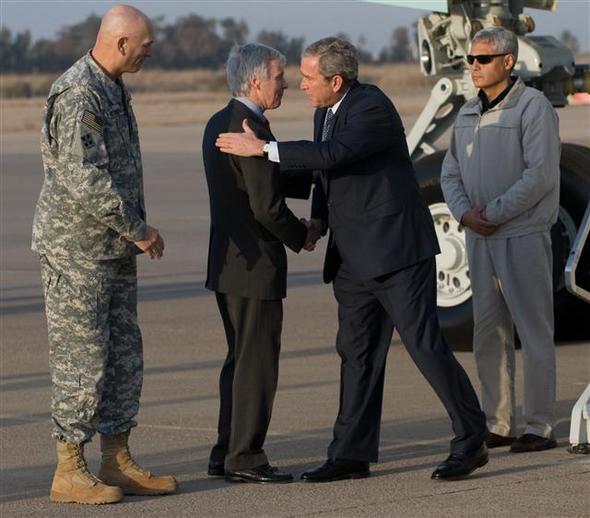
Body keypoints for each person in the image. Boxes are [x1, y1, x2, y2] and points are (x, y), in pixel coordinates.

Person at [215, 37, 488, 482]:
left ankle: (471, 437)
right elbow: (326, 175)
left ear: (335, 80)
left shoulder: (370, 107)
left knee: (425, 347)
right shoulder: (326, 110)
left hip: (396, 253)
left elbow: (335, 154)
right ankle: (350, 453)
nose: (301, 85)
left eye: (307, 78)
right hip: (353, 260)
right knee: (357, 354)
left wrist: (264, 150)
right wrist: (319, 221)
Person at [32, 5, 176, 505]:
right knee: (82, 359)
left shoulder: (112, 86)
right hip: (77, 253)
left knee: (121, 355)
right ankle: (68, 468)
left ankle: (116, 457)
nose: (150, 50)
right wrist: (136, 228)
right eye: (145, 44)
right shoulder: (78, 93)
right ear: (119, 43)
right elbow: (83, 177)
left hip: (110, 249)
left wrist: (128, 234)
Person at [202, 43, 317, 484]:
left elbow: (258, 186)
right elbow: (267, 207)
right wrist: (300, 235)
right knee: (257, 363)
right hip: (253, 267)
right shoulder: (251, 129)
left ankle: (225, 451)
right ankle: (245, 457)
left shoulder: (220, 120)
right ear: (255, 81)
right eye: (279, 76)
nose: (285, 84)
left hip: (228, 265)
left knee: (240, 359)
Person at [441, 27, 559, 453]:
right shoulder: (467, 113)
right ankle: (500, 422)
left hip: (521, 234)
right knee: (488, 333)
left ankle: (541, 425)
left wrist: (493, 213)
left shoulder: (533, 107)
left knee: (533, 330)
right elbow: (450, 172)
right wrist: (464, 213)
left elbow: (540, 175)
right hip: (479, 236)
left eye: (483, 59)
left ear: (508, 62)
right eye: (470, 59)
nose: (473, 66)